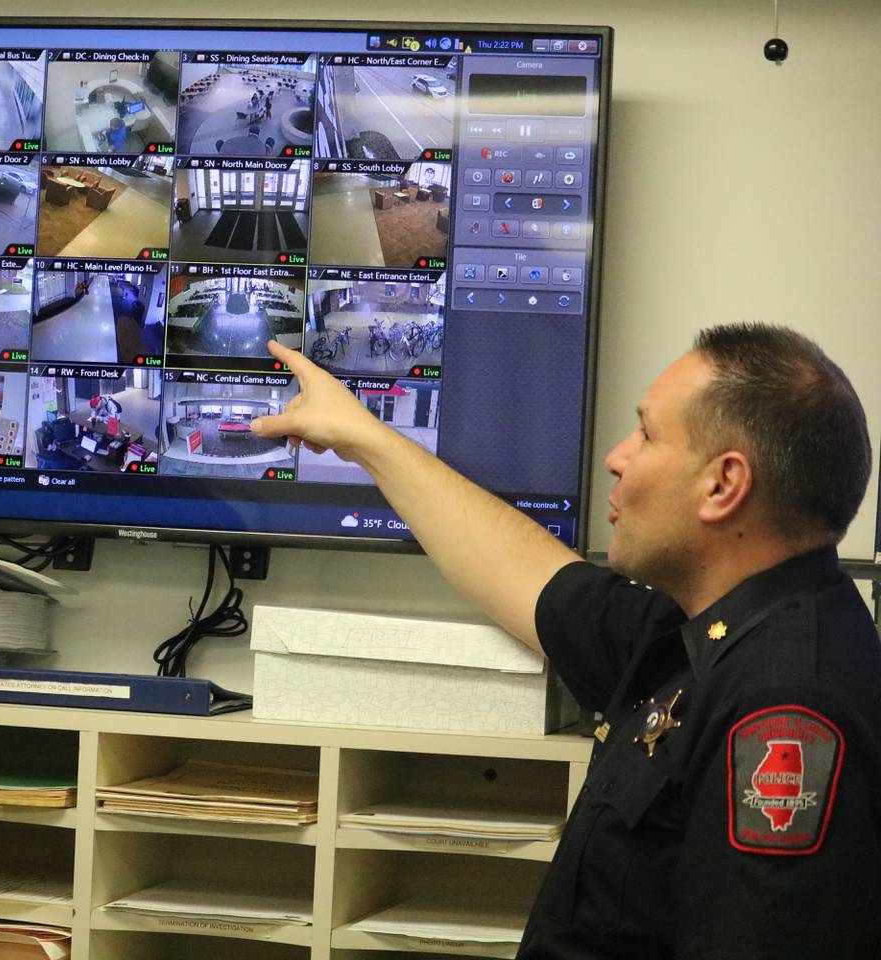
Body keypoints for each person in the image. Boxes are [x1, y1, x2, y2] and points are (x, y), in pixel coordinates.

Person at [251, 326, 879, 957]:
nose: (617, 456)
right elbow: (522, 570)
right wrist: (362, 433)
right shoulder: (699, 627)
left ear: (722, 485)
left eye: (648, 435)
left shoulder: (787, 704)